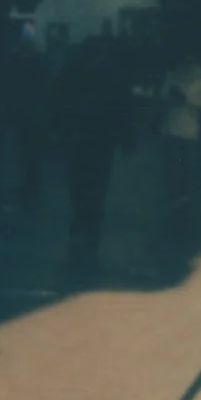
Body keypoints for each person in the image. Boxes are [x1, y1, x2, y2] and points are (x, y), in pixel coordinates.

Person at [52, 34, 134, 275]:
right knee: (97, 186)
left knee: (77, 184)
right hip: (101, 138)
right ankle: (90, 231)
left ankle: (80, 226)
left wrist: (58, 130)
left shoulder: (73, 71)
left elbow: (57, 100)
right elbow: (123, 107)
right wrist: (127, 138)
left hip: (79, 137)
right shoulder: (114, 74)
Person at [159, 51, 201, 238]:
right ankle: (174, 196)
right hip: (171, 128)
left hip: (189, 130)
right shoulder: (172, 76)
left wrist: (186, 99)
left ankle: (183, 196)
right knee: (173, 164)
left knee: (186, 165)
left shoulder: (200, 80)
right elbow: (163, 95)